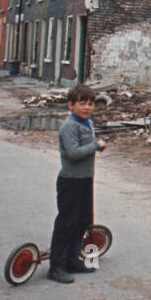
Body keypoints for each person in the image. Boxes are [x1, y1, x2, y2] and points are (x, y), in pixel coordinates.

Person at [49, 84, 106, 284]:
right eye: (82, 104)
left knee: (82, 221)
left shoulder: (86, 122)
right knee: (67, 223)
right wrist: (95, 146)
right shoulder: (69, 127)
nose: (86, 108)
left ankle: (73, 259)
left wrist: (95, 143)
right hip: (70, 181)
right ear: (70, 105)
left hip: (85, 180)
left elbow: (88, 142)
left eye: (90, 104)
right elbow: (73, 153)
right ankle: (57, 266)